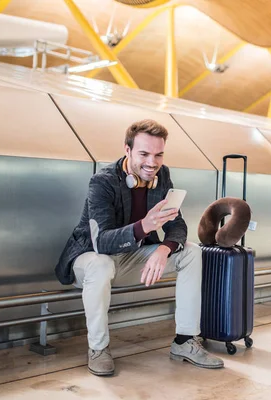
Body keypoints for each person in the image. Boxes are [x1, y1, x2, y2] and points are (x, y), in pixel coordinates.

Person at [55, 119, 224, 376]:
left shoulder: (162, 175)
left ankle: (185, 341)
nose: (152, 163)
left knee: (191, 251)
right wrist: (144, 226)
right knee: (101, 264)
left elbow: (176, 225)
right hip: (90, 259)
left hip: (130, 260)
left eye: (158, 155)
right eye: (144, 154)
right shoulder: (102, 182)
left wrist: (163, 249)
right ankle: (98, 349)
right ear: (127, 150)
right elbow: (102, 243)